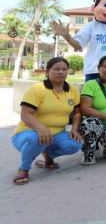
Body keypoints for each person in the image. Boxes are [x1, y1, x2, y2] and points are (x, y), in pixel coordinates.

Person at [11, 57, 82, 185]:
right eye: (56, 69)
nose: (61, 72)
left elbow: (77, 113)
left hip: (57, 133)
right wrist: (41, 128)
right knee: (37, 138)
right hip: (28, 132)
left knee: (75, 144)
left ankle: (49, 154)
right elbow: (25, 114)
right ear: (47, 71)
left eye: (64, 69)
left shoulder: (72, 91)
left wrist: (74, 129)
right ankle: (23, 168)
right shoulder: (37, 89)